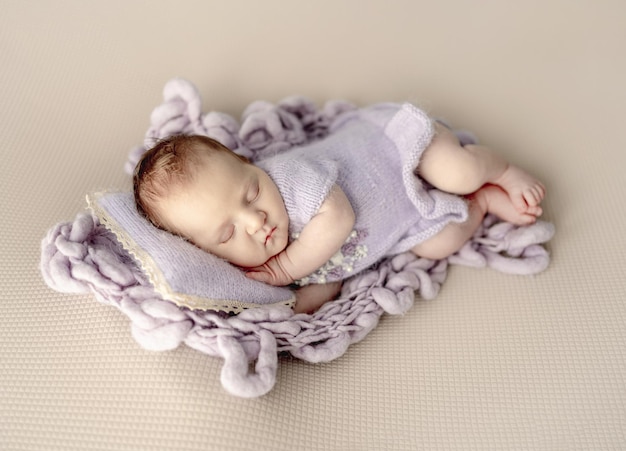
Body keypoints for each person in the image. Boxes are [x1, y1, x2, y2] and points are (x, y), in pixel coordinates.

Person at [134, 103, 545, 313]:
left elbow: (338, 217)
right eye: (227, 234)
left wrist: (285, 269)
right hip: (405, 213)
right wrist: (289, 307)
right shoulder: (269, 259)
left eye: (251, 192)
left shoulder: (289, 180)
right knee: (439, 244)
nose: (255, 220)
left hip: (398, 150)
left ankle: (501, 170)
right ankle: (482, 201)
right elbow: (329, 280)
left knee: (456, 172)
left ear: (250, 164)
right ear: (208, 252)